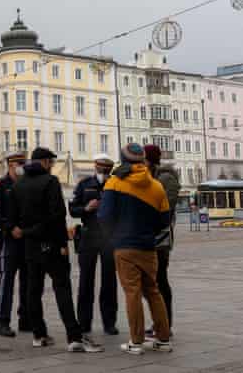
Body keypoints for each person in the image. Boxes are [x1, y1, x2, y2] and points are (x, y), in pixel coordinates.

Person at [9, 147, 103, 352]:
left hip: (30, 246)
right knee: (62, 289)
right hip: (51, 244)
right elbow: (58, 215)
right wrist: (62, 245)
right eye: (51, 163)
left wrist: (25, 232)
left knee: (33, 290)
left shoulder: (19, 185)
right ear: (44, 162)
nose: (52, 166)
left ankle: (39, 334)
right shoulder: (50, 182)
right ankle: (74, 337)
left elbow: (13, 218)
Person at [98, 143, 173, 355]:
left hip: (124, 246)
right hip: (149, 248)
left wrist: (113, 235)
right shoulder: (156, 186)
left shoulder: (114, 183)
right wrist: (148, 232)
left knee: (132, 292)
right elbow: (164, 219)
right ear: (142, 161)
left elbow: (104, 216)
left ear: (123, 160)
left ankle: (136, 341)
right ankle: (163, 339)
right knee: (153, 291)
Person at [69, 154, 118, 336]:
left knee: (109, 282)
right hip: (88, 235)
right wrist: (86, 208)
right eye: (101, 169)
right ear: (95, 167)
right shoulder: (84, 184)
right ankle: (84, 322)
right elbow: (73, 209)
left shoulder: (116, 185)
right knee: (85, 281)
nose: (104, 173)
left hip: (109, 237)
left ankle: (109, 322)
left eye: (107, 170)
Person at [0, 151, 29, 337]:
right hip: (8, 240)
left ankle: (26, 318)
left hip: (27, 239)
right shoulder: (0, 185)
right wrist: (10, 227)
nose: (21, 167)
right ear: (10, 165)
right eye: (18, 163)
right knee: (7, 281)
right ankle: (2, 320)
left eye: (23, 163)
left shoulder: (28, 185)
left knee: (28, 281)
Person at [143, 145, 180, 338]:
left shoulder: (166, 178)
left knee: (160, 281)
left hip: (161, 237)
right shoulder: (151, 176)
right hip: (149, 235)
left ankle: (165, 325)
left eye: (143, 159)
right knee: (150, 282)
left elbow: (167, 206)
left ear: (149, 160)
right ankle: (159, 322)